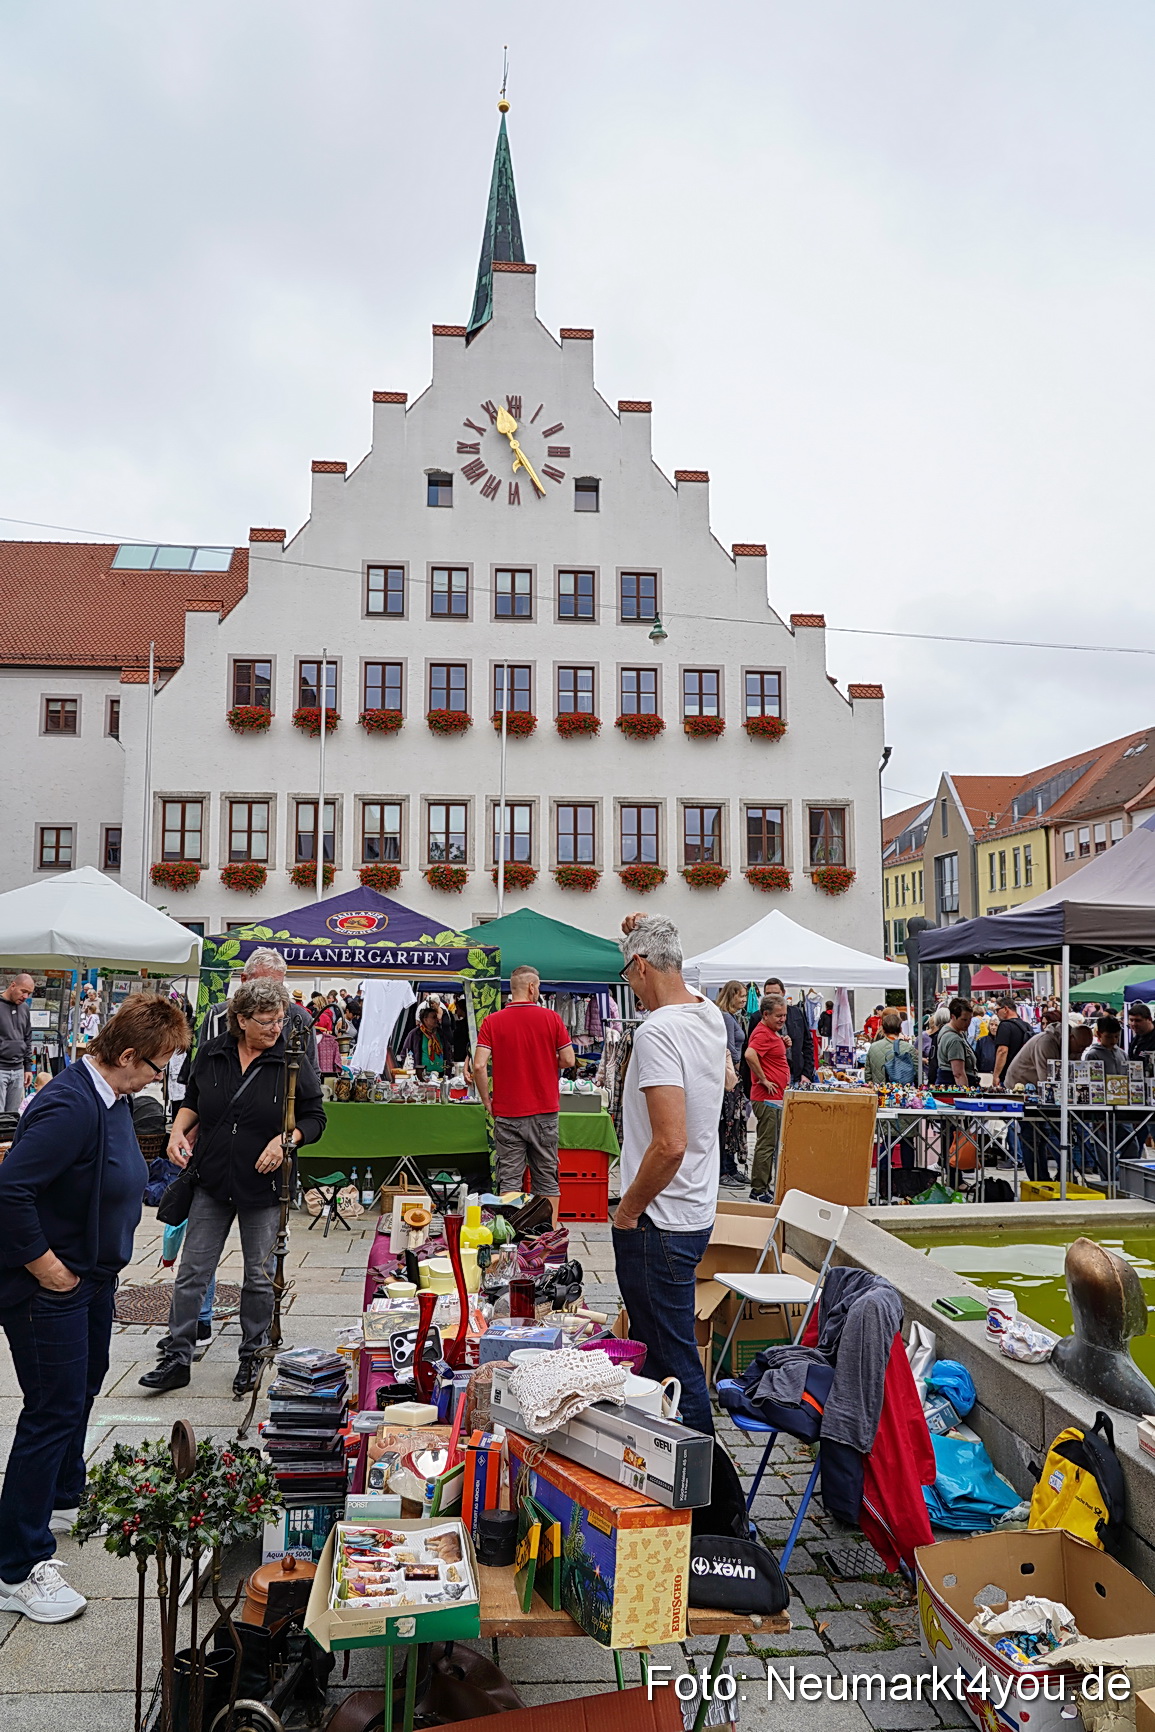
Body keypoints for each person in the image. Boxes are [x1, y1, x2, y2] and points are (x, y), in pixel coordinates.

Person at [0, 995, 190, 1623]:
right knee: (51, 1409)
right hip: (51, 1287)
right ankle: (17, 1564)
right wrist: (46, 1265)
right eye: (158, 1066)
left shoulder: (111, 1100)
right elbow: (11, 1190)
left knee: (78, 1394)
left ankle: (63, 1492)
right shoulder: (68, 1103)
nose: (161, 1077)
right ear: (129, 1056)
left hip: (92, 1279)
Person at [140, 979, 326, 1396]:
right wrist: (178, 1132)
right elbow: (193, 1099)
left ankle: (252, 1354)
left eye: (279, 1019)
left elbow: (315, 1118)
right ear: (240, 1020)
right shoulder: (212, 1052)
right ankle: (177, 1356)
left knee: (258, 1277)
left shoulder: (291, 1060)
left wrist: (286, 1141)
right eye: (265, 1021)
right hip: (211, 1178)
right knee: (192, 1273)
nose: (275, 1028)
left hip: (263, 1184)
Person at [612, 914, 726, 1437]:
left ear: (639, 966)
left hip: (659, 1219)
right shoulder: (707, 1013)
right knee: (663, 1358)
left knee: (675, 1363)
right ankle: (666, 1474)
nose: (628, 987)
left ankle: (711, 1500)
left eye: (626, 974)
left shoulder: (657, 1031)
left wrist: (628, 1209)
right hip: (692, 1209)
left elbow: (669, 1143)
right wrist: (646, 923)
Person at [474, 967, 576, 1226]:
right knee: (547, 1179)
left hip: (507, 1112)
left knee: (509, 1179)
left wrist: (487, 1101)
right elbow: (568, 1059)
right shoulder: (551, 1018)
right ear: (532, 987)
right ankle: (549, 1236)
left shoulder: (492, 1021)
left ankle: (511, 1235)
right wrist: (543, 1059)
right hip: (544, 1111)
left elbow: (478, 1066)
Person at [200, 948, 314, 1046]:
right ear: (245, 980)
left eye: (278, 986)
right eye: (263, 986)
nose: (271, 994)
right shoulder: (218, 1015)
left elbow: (312, 1069)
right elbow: (206, 1065)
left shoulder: (301, 1018)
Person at [746, 994, 790, 1203]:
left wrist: (782, 1045)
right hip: (767, 1098)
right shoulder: (763, 1033)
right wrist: (763, 1079)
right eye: (779, 1016)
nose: (783, 1019)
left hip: (774, 1097)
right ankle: (758, 1189)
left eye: (784, 1015)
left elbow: (767, 1055)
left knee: (770, 1143)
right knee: (767, 1144)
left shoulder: (770, 1033)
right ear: (765, 1014)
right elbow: (750, 1054)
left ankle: (763, 1186)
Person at [715, 980, 749, 1188]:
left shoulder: (731, 1017)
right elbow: (729, 1047)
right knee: (728, 1122)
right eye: (741, 995)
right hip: (730, 1076)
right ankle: (724, 1170)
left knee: (731, 1122)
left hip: (731, 1074)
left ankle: (729, 1167)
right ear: (732, 995)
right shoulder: (726, 1017)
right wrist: (735, 1068)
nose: (744, 1000)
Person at [763, 977, 815, 1087]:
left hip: (796, 1074)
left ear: (783, 993)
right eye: (768, 994)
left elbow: (807, 1043)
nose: (772, 998)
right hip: (772, 1077)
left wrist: (807, 1073)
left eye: (776, 994)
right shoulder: (760, 1018)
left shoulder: (796, 1013)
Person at [0, 973, 35, 1113]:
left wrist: (28, 1067)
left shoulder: (24, 1008)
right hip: (1, 1067)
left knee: (12, 1117)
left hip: (18, 1070)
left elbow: (27, 1037)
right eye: (23, 991)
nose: (26, 996)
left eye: (29, 993)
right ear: (13, 985)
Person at [865, 1012, 918, 1088]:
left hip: (879, 1092)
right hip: (902, 1093)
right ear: (900, 1029)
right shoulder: (908, 1048)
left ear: (883, 1030)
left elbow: (868, 1075)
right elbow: (917, 1073)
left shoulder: (873, 1047)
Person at [935, 999, 979, 1089]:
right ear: (953, 1016)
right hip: (952, 1086)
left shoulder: (949, 1030)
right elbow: (958, 1074)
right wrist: (966, 1095)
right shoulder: (954, 1039)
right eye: (964, 1020)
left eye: (970, 1019)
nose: (968, 1023)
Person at [991, 998, 1033, 1089]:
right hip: (1025, 1075)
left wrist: (996, 1075)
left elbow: (1002, 1051)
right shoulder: (1027, 1026)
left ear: (1005, 1009)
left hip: (1008, 1075)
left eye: (997, 1010)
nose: (996, 1013)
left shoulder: (1005, 1025)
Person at [397, 1007, 449, 1078]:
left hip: (441, 1074)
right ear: (425, 1019)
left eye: (436, 1017)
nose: (436, 1019)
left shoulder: (440, 1033)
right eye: (433, 1017)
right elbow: (405, 1053)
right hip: (422, 1075)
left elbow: (447, 1051)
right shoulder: (415, 1034)